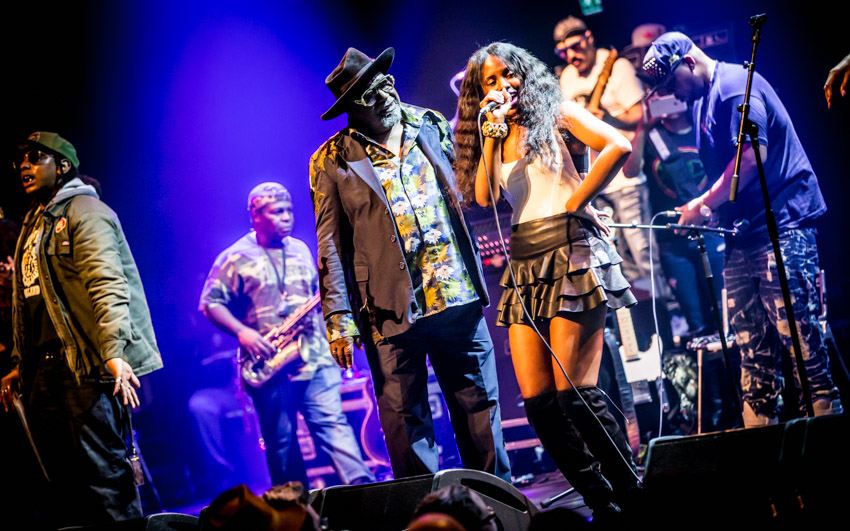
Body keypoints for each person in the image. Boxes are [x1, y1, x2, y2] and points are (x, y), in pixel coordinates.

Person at [454, 42, 639, 518]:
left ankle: (633, 495)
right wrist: (490, 133)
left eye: (508, 75)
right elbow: (483, 195)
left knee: (575, 395)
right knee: (538, 403)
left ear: (524, 73)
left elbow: (618, 145)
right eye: (490, 82)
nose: (502, 86)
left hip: (569, 250)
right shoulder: (496, 133)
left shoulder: (557, 113)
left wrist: (577, 201)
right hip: (525, 261)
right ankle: (600, 500)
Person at [309, 47, 510, 482]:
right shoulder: (331, 159)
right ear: (351, 108)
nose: (383, 96)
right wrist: (338, 318)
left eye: (384, 84)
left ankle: (497, 505)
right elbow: (330, 243)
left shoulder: (430, 124)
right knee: (405, 425)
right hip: (389, 309)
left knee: (481, 412)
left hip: (455, 293)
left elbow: (476, 186)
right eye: (368, 94)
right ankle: (427, 512)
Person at [638, 32, 843, 425]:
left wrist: (703, 204)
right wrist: (711, 212)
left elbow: (751, 157)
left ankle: (827, 439)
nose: (669, 94)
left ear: (689, 63)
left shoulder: (734, 87)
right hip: (742, 235)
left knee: (803, 348)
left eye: (669, 82)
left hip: (782, 227)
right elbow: (726, 174)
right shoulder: (700, 100)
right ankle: (763, 443)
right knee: (752, 353)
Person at [1, 132, 163, 527]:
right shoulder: (35, 222)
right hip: (45, 370)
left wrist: (114, 351)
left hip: (84, 365)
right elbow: (30, 302)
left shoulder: (86, 210)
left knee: (105, 475)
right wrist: (21, 363)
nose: (25, 166)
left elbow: (107, 283)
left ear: (62, 165)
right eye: (20, 161)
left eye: (36, 157)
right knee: (65, 483)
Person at [199, 182, 375, 488]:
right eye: (277, 212)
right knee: (281, 444)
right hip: (270, 365)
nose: (286, 217)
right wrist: (243, 333)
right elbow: (210, 303)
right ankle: (296, 507)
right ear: (255, 215)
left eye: (289, 210)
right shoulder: (234, 257)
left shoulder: (300, 249)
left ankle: (365, 490)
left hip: (314, 358)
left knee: (334, 426)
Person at [554, 16, 660, 291]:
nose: (571, 56)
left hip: (625, 179)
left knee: (644, 258)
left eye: (576, 46)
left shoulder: (616, 66)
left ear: (589, 37)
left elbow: (641, 114)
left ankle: (663, 313)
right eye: (563, 52)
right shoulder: (567, 76)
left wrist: (607, 118)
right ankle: (637, 317)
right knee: (617, 262)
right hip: (593, 184)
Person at [623, 93, 723, 339]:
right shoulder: (652, 137)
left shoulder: (702, 128)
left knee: (722, 310)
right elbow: (630, 171)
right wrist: (642, 127)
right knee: (695, 318)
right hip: (672, 242)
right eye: (660, 95)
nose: (667, 98)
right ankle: (704, 359)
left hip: (709, 230)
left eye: (671, 92)